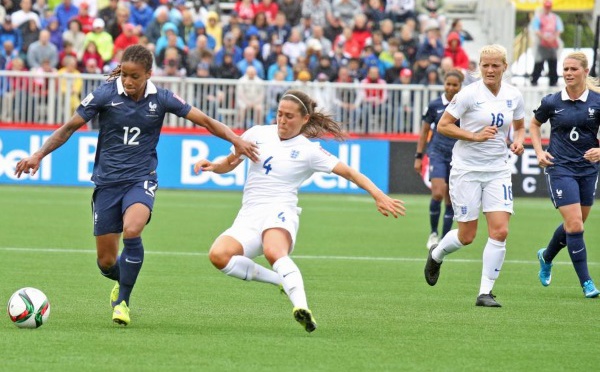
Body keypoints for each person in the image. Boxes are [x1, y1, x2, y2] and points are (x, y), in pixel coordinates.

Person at [14, 44, 259, 326]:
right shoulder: (106, 94)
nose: (128, 82)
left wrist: (235, 140)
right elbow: (69, 127)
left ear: (148, 75)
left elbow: (204, 120)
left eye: (135, 77)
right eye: (125, 75)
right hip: (107, 183)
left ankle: (123, 304)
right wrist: (38, 155)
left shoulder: (162, 98)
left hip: (141, 178)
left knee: (132, 229)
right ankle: (121, 280)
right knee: (106, 262)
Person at [193, 89, 405, 332]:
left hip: (280, 210)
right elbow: (230, 162)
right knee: (218, 256)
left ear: (304, 119)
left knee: (274, 252)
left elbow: (350, 172)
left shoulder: (308, 151)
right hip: (249, 214)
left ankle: (302, 307)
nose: (282, 120)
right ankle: (280, 281)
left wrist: (378, 195)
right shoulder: (257, 133)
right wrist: (213, 165)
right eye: (279, 114)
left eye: (289, 116)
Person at [423, 44, 526, 307]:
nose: (490, 70)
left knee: (500, 231)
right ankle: (436, 254)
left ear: (505, 66)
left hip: (498, 170)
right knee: (467, 235)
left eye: (495, 65)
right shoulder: (468, 94)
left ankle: (485, 293)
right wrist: (474, 136)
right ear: (479, 67)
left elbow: (519, 126)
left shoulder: (514, 95)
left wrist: (518, 141)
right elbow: (444, 126)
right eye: (485, 65)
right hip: (467, 170)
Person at [529, 52, 600, 298]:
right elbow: (534, 124)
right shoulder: (552, 101)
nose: (568, 73)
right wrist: (539, 151)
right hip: (560, 168)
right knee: (575, 223)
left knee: (576, 223)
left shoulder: (597, 101)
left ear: (585, 71)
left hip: (588, 169)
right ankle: (587, 283)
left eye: (573, 69)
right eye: (565, 69)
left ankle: (546, 256)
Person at [414, 69, 464, 250]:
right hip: (437, 152)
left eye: (455, 85)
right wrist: (418, 156)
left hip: (458, 156)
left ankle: (444, 239)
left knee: (451, 198)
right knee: (437, 192)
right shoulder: (435, 105)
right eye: (448, 84)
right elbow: (424, 132)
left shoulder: (465, 106)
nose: (450, 88)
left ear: (460, 86)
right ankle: (433, 233)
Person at [530, 0, 563, 87]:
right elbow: (536, 30)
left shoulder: (555, 18)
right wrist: (544, 38)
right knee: (539, 62)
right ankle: (534, 80)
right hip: (542, 43)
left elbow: (559, 30)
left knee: (553, 63)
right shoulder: (538, 17)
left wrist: (552, 38)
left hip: (553, 43)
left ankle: (553, 81)